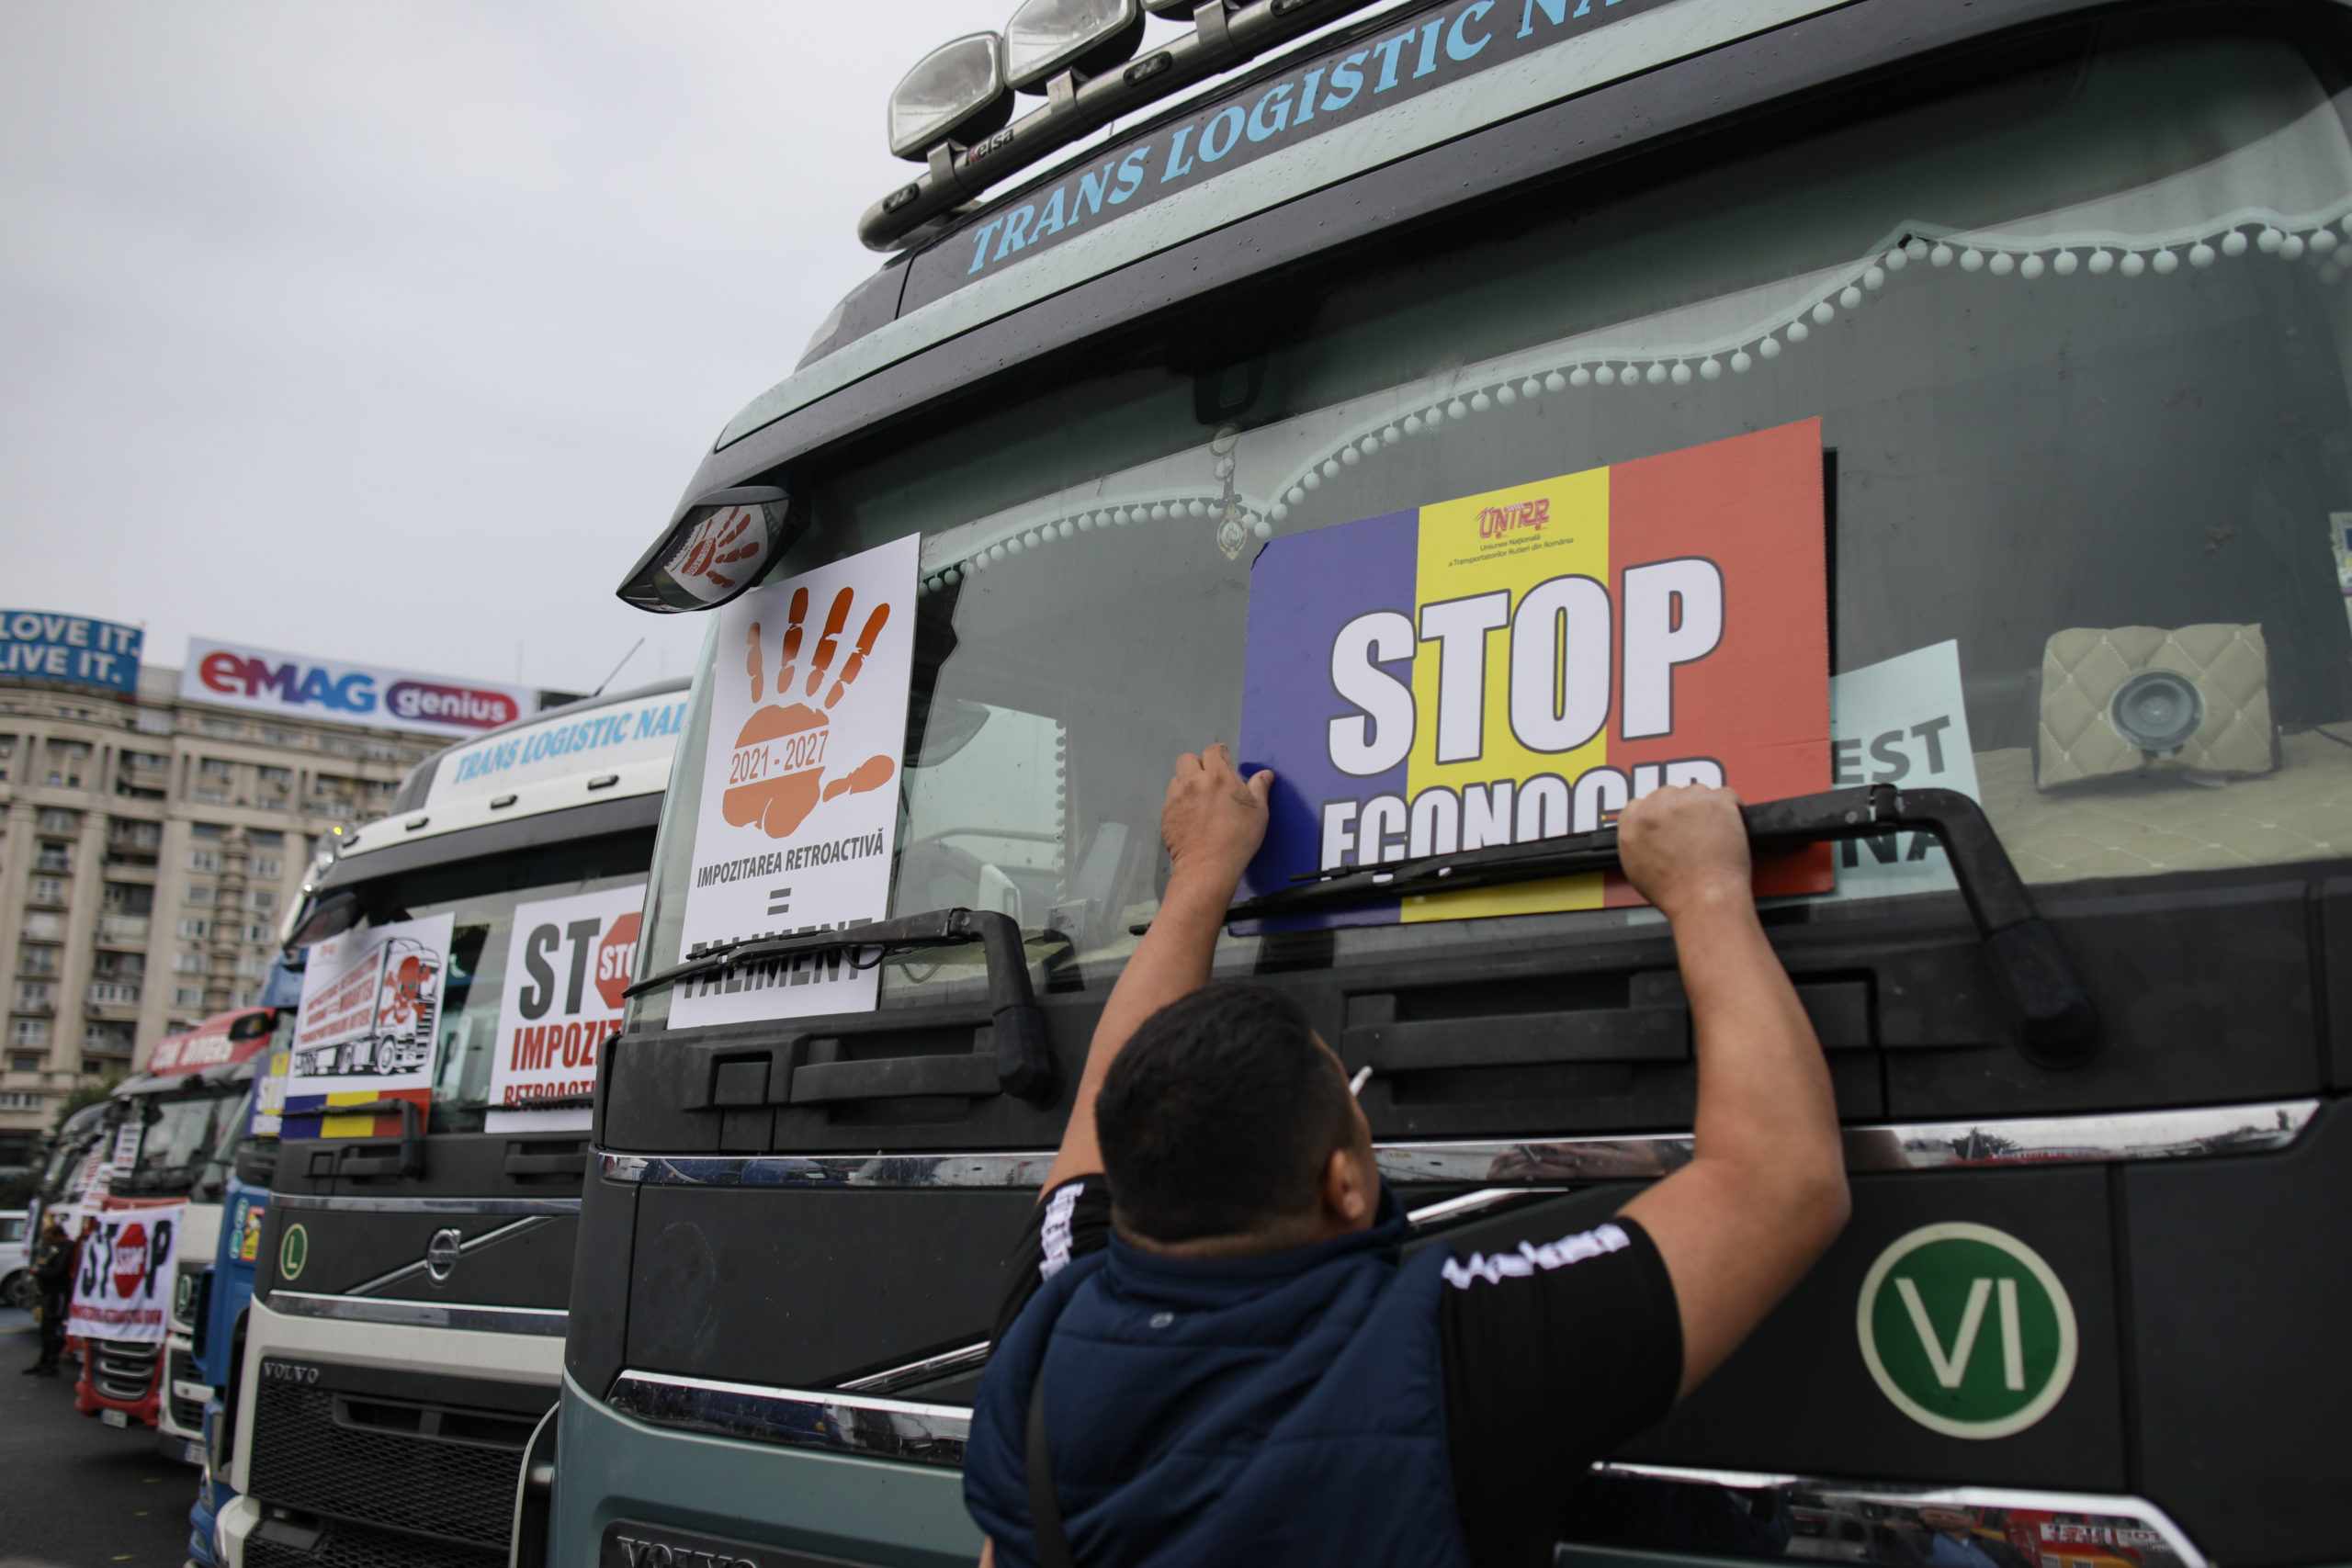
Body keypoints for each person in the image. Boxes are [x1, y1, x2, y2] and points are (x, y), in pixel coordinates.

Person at [964, 744, 1854, 1568]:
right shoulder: (1444, 1369)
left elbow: (1105, 1100)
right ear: (1345, 1185)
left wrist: (1199, 872)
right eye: (1352, 1105)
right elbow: (1780, 1181)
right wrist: (1707, 891)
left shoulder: (1048, 1333)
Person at [23, 1215, 77, 1376]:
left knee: (53, 1330)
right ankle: (44, 1361)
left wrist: (40, 1271)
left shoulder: (68, 1249)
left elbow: (57, 1271)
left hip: (57, 1293)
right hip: (49, 1292)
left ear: (59, 1236)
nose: (50, 1243)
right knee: (45, 1330)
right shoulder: (58, 1249)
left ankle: (52, 1364)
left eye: (52, 1239)